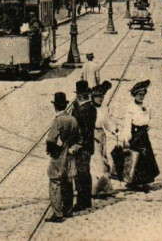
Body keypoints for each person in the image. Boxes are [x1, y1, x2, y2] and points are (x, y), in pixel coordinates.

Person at [46, 92, 80, 223]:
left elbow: (51, 139)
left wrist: (51, 151)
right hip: (70, 155)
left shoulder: (57, 120)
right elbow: (79, 138)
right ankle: (68, 209)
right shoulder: (72, 119)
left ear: (55, 107)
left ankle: (57, 213)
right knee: (68, 181)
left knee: (55, 181)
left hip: (59, 155)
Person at [120, 80, 159, 189]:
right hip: (135, 135)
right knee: (136, 158)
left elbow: (150, 117)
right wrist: (126, 138)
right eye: (139, 94)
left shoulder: (147, 106)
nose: (141, 97)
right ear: (134, 95)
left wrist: (148, 124)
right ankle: (134, 181)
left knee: (146, 157)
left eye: (143, 94)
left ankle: (144, 181)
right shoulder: (130, 107)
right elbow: (127, 123)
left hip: (144, 135)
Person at [71, 80, 97, 211]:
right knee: (85, 173)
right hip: (89, 146)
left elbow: (78, 129)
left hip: (81, 147)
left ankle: (82, 201)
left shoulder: (80, 111)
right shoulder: (92, 108)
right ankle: (87, 200)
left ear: (79, 95)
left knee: (80, 174)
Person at [90, 81, 114, 197]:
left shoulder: (104, 108)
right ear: (93, 97)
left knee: (103, 159)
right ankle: (95, 189)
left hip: (101, 134)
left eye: (102, 96)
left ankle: (104, 188)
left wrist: (114, 130)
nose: (100, 99)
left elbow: (107, 122)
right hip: (92, 134)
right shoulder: (89, 108)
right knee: (96, 161)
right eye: (98, 97)